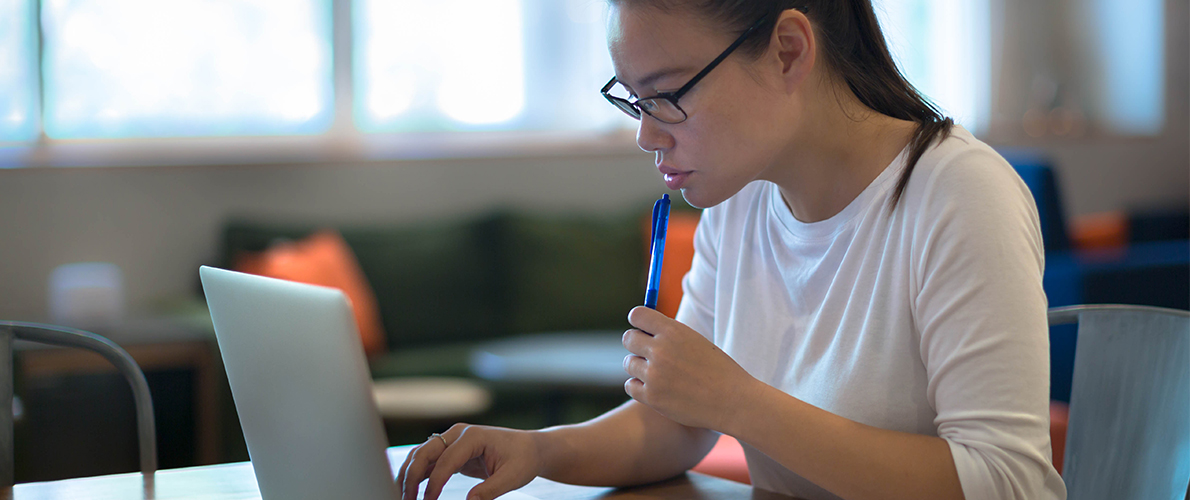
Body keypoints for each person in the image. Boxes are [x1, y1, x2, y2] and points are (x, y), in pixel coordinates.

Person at [399, 1, 1066, 499]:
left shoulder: (957, 193)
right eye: (635, 101)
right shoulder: (742, 197)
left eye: (667, 95)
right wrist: (538, 452)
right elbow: (674, 427)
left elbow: (1007, 481)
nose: (646, 137)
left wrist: (739, 402)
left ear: (787, 50)